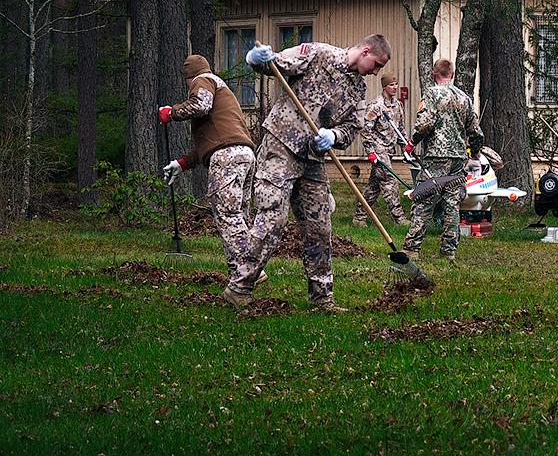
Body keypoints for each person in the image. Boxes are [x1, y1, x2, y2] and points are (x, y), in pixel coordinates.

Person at [222, 34, 391, 311]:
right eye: (376, 64)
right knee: (272, 218)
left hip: (314, 158)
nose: (376, 72)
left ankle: (322, 298)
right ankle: (239, 288)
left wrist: (333, 136)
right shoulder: (318, 54)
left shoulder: (358, 90)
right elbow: (275, 65)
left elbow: (351, 128)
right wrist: (256, 59)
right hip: (282, 145)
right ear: (365, 50)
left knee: (320, 227)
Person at [159, 54, 256, 278]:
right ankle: (238, 279)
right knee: (240, 217)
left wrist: (170, 113)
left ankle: (249, 267)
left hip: (227, 157)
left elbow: (200, 105)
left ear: (188, 78)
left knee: (227, 215)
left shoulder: (203, 81)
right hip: (245, 155)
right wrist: (182, 163)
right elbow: (215, 139)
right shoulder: (225, 94)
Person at [402, 59, 483, 262]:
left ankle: (412, 248)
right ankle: (449, 251)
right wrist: (474, 155)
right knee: (452, 204)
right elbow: (475, 131)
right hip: (457, 158)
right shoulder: (464, 98)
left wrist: (412, 143)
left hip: (436, 157)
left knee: (424, 200)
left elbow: (424, 124)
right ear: (453, 74)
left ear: (432, 73)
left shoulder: (431, 94)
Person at [353, 73, 409, 226]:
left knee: (374, 186)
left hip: (389, 149)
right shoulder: (376, 106)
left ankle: (359, 216)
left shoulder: (397, 105)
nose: (395, 87)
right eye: (391, 85)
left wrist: (405, 147)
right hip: (378, 151)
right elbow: (365, 129)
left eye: (396, 84)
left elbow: (400, 129)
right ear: (384, 87)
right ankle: (399, 218)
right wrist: (370, 151)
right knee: (390, 181)